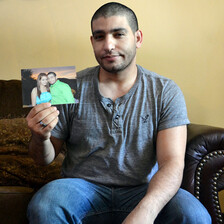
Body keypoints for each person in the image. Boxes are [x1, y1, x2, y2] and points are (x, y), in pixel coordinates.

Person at [26, 2, 211, 224]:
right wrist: (41, 136)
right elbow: (42, 159)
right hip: (80, 188)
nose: (109, 45)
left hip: (143, 189)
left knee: (195, 216)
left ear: (138, 38)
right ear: (92, 41)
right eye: (100, 36)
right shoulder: (66, 88)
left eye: (118, 34)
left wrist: (146, 212)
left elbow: (172, 163)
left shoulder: (164, 91)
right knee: (44, 205)